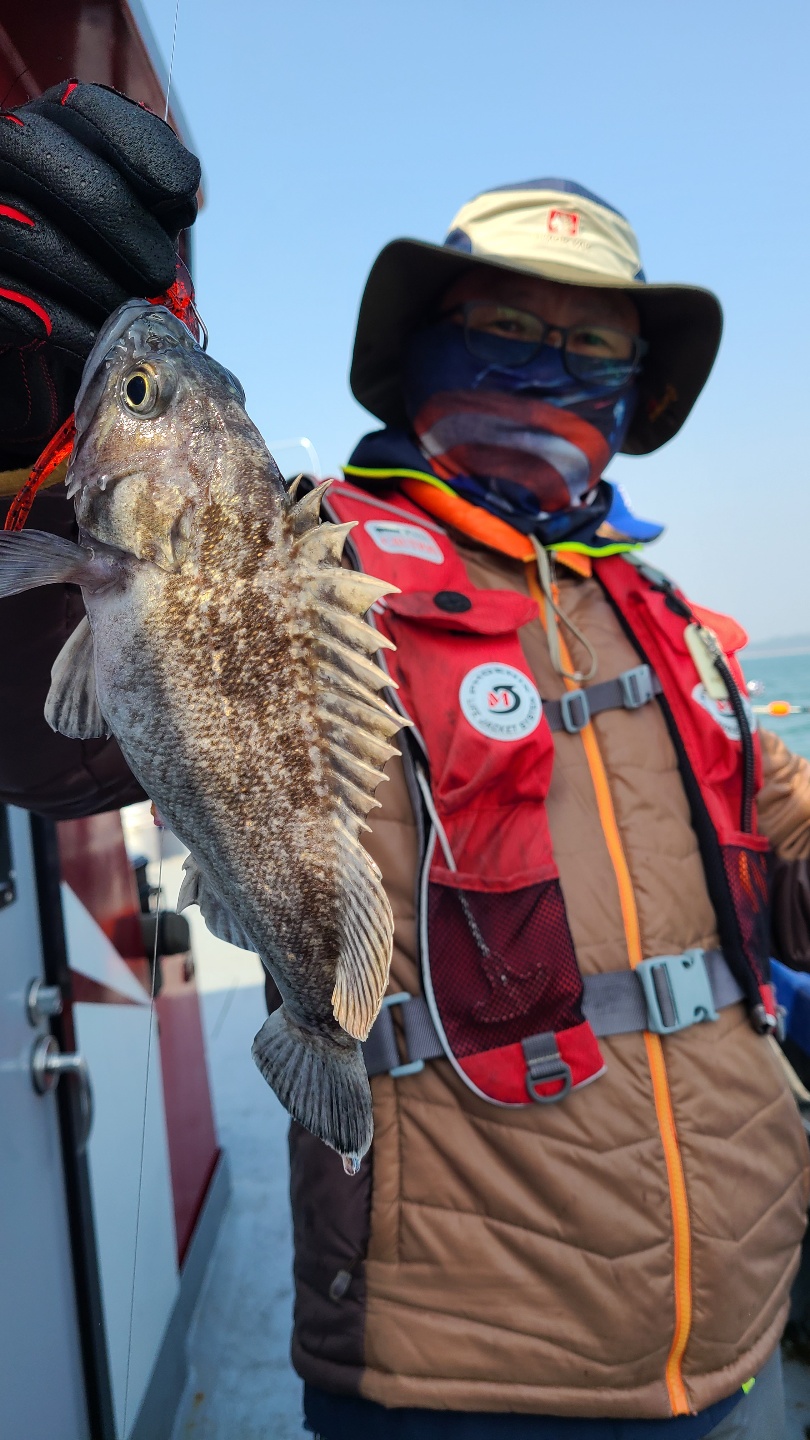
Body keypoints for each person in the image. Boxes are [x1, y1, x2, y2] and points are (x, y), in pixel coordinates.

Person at [0, 87, 808, 1440]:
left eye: (589, 347)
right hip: (448, 1364)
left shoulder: (673, 622)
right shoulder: (304, 546)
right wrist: (18, 463)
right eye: (507, 330)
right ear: (424, 346)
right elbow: (52, 747)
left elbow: (785, 863)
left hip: (736, 1324)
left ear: (636, 389)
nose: (547, 370)